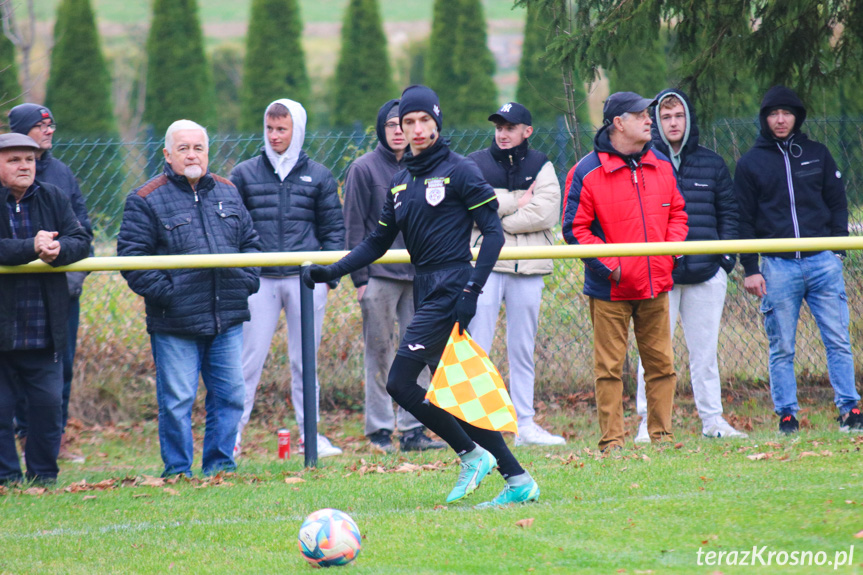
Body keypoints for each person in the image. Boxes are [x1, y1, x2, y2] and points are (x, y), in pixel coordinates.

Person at [303, 85, 540, 508]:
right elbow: (376, 243)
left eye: (423, 121)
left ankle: (471, 455)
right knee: (452, 392)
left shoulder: (461, 170)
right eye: (406, 122)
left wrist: (472, 290)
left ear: (436, 123)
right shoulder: (400, 182)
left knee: (400, 382)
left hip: (451, 288)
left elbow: (493, 233)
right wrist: (333, 271)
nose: (415, 129)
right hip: (425, 285)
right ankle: (516, 477)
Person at [117, 120, 261, 476]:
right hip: (175, 322)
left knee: (230, 398)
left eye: (199, 147)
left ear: (208, 152)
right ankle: (178, 470)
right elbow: (132, 260)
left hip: (226, 317)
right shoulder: (145, 199)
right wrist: (171, 296)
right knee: (178, 400)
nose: (192, 154)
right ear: (167, 154)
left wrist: (243, 284)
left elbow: (252, 246)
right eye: (183, 148)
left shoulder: (229, 192)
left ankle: (220, 467)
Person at [562, 91, 688, 451]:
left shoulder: (662, 164)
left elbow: (678, 214)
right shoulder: (586, 170)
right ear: (618, 123)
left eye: (649, 114)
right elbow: (575, 229)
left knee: (662, 365)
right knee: (609, 370)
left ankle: (662, 438)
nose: (650, 120)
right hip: (611, 290)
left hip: (656, 285)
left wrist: (668, 256)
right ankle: (612, 443)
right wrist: (613, 269)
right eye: (641, 114)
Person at [734, 85, 862, 434]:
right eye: (773, 114)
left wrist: (836, 251)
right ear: (764, 118)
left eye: (787, 113)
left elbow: (837, 203)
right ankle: (788, 416)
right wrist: (751, 268)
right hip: (777, 267)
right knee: (782, 346)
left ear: (796, 117)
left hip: (823, 264)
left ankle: (850, 410)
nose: (780, 120)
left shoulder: (818, 154)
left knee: (837, 338)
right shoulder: (750, 164)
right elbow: (743, 219)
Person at [230, 99, 346, 458]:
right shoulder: (244, 173)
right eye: (270, 129)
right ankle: (230, 440)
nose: (275, 135)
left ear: (297, 130)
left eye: (282, 129)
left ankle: (309, 437)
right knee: (247, 363)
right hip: (259, 282)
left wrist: (329, 278)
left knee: (304, 362)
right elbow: (233, 226)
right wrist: (243, 273)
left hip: (306, 283)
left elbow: (334, 230)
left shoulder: (321, 176)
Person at [632, 89, 747, 442]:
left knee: (705, 354)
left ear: (688, 119)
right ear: (656, 123)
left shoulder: (711, 163)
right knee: (651, 355)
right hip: (660, 277)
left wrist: (723, 262)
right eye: (665, 117)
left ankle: (713, 422)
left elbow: (729, 213)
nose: (672, 123)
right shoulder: (644, 162)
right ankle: (648, 424)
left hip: (704, 276)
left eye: (678, 116)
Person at [343, 99, 444, 453]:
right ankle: (380, 431)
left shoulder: (428, 168)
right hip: (380, 277)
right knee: (380, 353)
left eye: (404, 124)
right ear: (381, 129)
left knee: (416, 352)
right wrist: (360, 280)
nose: (400, 131)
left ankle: (414, 429)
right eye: (391, 125)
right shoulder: (363, 169)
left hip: (420, 277)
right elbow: (354, 227)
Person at [467, 102, 564, 446]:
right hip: (486, 267)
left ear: (527, 131)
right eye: (499, 127)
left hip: (529, 267)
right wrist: (519, 200)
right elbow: (473, 208)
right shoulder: (475, 163)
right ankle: (478, 427)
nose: (503, 134)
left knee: (522, 348)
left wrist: (499, 216)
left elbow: (546, 212)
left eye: (510, 127)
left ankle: (524, 423)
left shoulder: (542, 164)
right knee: (478, 346)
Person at [0, 132, 91, 484]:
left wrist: (59, 251)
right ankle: (7, 479)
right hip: (3, 328)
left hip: (43, 327)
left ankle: (44, 478)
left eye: (29, 159)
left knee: (48, 408)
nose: (24, 166)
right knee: (2, 409)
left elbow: (80, 239)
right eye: (14, 160)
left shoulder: (52, 196)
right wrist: (31, 246)